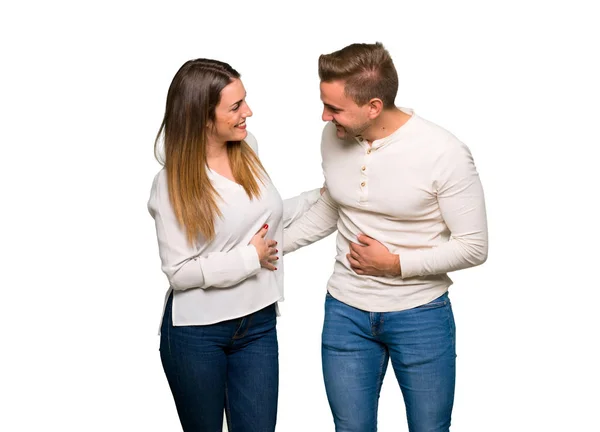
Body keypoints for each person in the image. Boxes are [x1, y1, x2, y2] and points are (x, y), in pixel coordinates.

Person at [284, 42, 488, 432]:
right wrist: (272, 247)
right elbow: (337, 206)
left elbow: (474, 246)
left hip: (420, 313)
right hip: (345, 311)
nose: (325, 116)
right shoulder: (334, 135)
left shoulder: (443, 152)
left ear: (373, 106)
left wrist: (395, 265)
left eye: (335, 108)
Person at [147, 58, 322, 432]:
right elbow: (180, 272)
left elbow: (261, 220)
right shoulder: (170, 184)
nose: (249, 112)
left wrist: (318, 197)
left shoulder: (247, 147)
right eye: (236, 107)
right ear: (203, 118)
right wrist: (251, 258)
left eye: (245, 101)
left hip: (257, 323)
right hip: (197, 333)